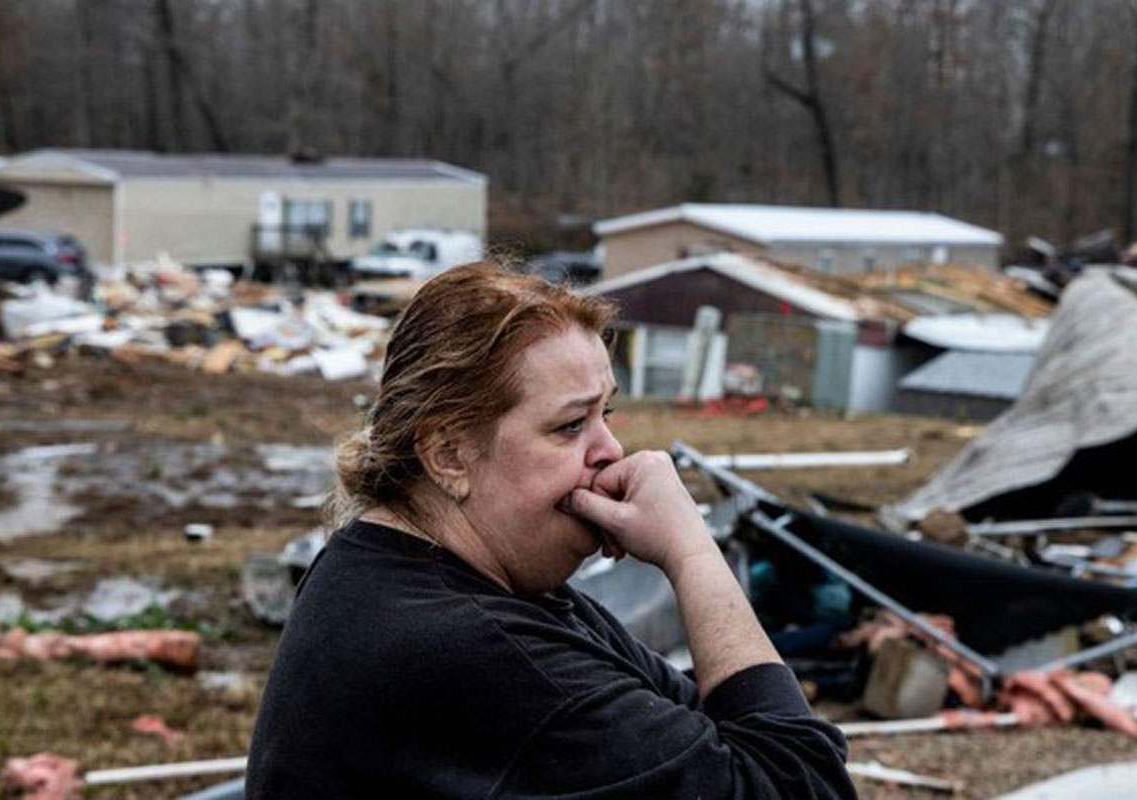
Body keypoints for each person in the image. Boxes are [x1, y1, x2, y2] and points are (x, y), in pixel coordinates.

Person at [246, 263, 854, 799]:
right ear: (449, 454)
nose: (611, 450)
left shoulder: (414, 575)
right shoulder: (472, 648)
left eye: (605, 414)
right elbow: (803, 786)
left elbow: (712, 734)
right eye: (570, 426)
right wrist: (693, 553)